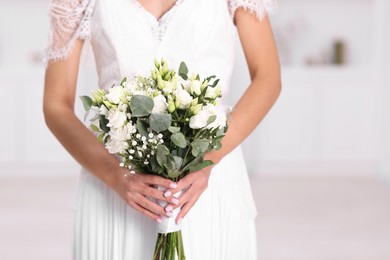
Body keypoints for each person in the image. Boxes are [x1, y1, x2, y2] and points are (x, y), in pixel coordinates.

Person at [43, 0, 281, 259]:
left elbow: (268, 78)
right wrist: (115, 176)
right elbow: (56, 105)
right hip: (115, 185)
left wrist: (209, 158)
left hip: (209, 180)